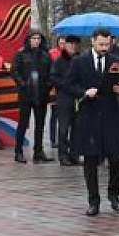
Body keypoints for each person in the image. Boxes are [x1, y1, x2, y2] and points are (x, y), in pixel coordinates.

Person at [63, 27, 119, 215]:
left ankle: (113, 193)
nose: (104, 48)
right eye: (101, 44)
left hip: (111, 116)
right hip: (89, 116)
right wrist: (84, 92)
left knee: (116, 158)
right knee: (90, 160)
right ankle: (93, 201)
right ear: (92, 41)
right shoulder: (79, 61)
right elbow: (67, 85)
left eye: (107, 44)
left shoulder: (116, 61)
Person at [11, 30, 53, 164]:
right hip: (26, 94)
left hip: (42, 94)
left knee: (40, 124)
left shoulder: (46, 54)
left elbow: (52, 72)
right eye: (34, 38)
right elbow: (14, 71)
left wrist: (48, 86)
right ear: (29, 39)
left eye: (38, 38)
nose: (36, 41)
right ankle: (18, 152)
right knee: (23, 123)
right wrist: (22, 84)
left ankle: (38, 151)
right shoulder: (21, 54)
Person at [50, 35, 81, 165]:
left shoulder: (80, 60)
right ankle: (63, 156)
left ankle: (74, 155)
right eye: (70, 44)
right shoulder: (59, 61)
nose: (73, 47)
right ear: (65, 45)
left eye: (75, 44)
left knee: (77, 129)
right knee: (63, 128)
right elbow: (53, 77)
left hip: (78, 98)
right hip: (64, 98)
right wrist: (64, 84)